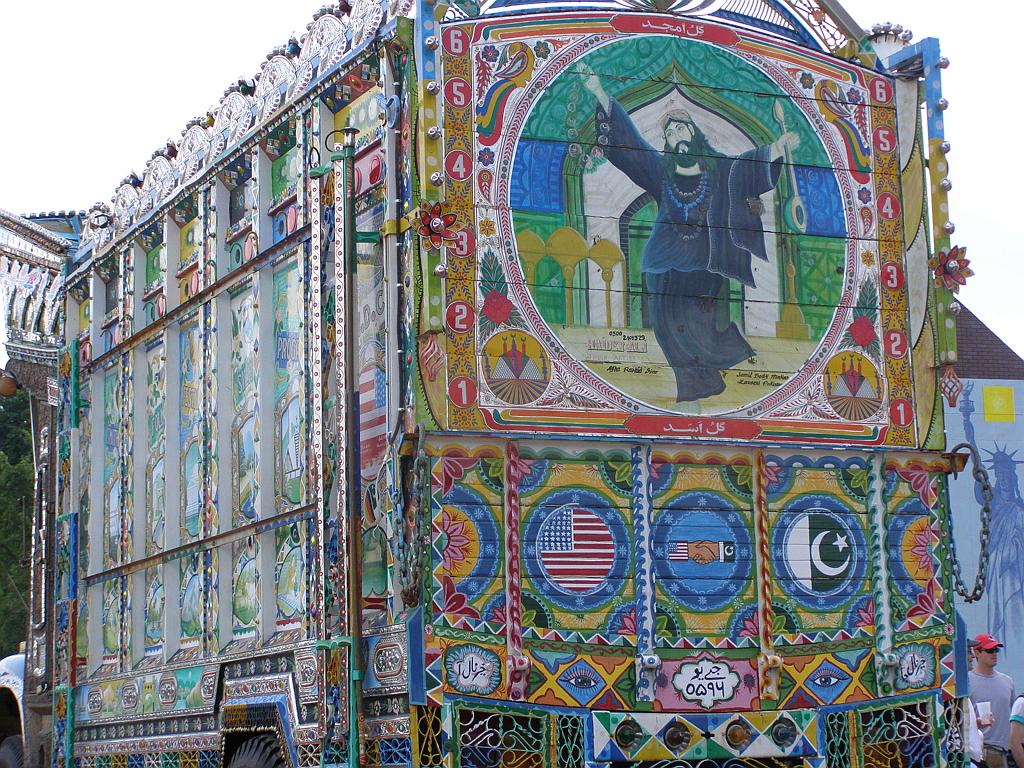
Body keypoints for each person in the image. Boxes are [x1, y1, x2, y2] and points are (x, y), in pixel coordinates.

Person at [580, 63, 800, 404]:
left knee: (701, 332)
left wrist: (776, 148)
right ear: (667, 143)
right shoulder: (660, 172)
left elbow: (745, 169)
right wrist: (598, 92)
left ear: (694, 133)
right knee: (669, 332)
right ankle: (694, 391)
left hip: (703, 267)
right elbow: (631, 145)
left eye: (681, 128)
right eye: (669, 133)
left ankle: (718, 365)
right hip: (662, 264)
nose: (676, 134)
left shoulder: (718, 168)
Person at [970, 633, 1015, 768]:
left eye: (996, 650)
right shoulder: (967, 682)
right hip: (980, 750)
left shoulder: (1007, 682)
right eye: (990, 650)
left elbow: (1013, 719)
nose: (994, 653)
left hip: (1005, 751)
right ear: (977, 653)